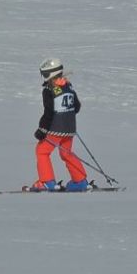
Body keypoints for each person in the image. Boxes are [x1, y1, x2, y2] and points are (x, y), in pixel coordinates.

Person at [30, 58, 89, 192]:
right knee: (66, 153)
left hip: (55, 129)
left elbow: (49, 113)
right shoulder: (68, 86)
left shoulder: (49, 90)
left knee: (42, 151)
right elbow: (77, 107)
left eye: (44, 74)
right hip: (70, 129)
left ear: (49, 74)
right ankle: (80, 181)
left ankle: (47, 182)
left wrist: (42, 130)